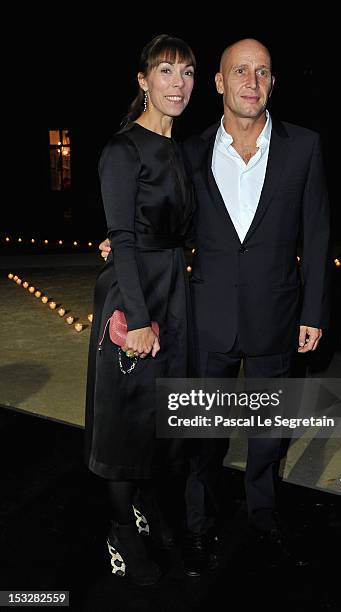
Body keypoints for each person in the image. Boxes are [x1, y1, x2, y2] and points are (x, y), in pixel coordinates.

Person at [100, 37, 330, 576]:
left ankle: (263, 516)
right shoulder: (191, 152)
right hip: (206, 316)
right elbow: (159, 215)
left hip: (278, 313)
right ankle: (199, 526)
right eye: (240, 71)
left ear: (273, 83)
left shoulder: (305, 147)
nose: (253, 82)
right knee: (204, 431)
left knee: (270, 428)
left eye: (264, 72)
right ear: (221, 83)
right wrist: (120, 238)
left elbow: (318, 235)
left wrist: (314, 311)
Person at [85, 34, 196, 586]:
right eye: (166, 72)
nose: (178, 84)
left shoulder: (181, 150)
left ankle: (144, 510)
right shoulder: (121, 150)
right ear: (144, 81)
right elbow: (123, 238)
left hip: (173, 290)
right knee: (126, 423)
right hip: (135, 295)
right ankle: (119, 533)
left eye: (187, 73)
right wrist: (138, 315)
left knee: (161, 419)